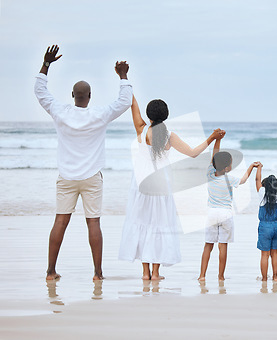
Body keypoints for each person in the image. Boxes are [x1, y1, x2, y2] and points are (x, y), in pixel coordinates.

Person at [34, 45, 133, 281]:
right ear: (89, 97)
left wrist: (46, 64)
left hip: (67, 176)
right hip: (91, 177)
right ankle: (98, 274)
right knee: (93, 223)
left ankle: (50, 272)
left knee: (60, 220)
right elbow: (125, 101)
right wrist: (123, 76)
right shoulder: (99, 114)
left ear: (72, 95)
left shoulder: (60, 112)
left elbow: (40, 91)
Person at [118, 95, 224, 280]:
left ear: (148, 116)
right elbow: (193, 153)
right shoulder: (169, 136)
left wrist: (124, 78)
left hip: (141, 185)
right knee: (159, 225)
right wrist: (212, 137)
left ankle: (145, 272)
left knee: (143, 223)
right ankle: (156, 272)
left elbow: (132, 103)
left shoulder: (141, 130)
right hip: (161, 186)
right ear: (166, 116)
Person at [198, 132, 259, 281]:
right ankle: (220, 276)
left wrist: (218, 140)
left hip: (212, 214)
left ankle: (202, 275)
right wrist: (251, 167)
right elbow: (243, 180)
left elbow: (215, 154)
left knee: (208, 245)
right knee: (222, 246)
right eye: (231, 163)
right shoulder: (229, 179)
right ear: (226, 168)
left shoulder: (210, 174)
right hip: (225, 214)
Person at [255, 162, 277, 281]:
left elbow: (257, 179)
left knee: (264, 254)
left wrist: (259, 167)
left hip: (265, 226)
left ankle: (264, 278)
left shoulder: (262, 193)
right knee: (275, 253)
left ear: (265, 186)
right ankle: (275, 277)